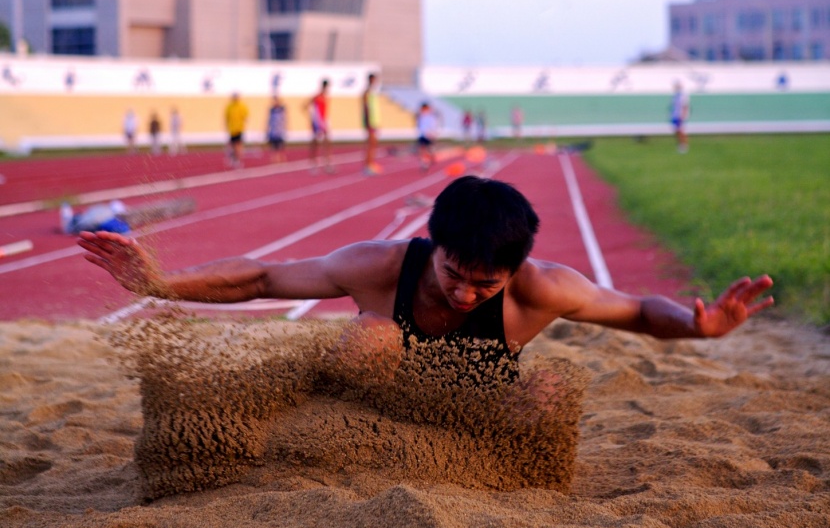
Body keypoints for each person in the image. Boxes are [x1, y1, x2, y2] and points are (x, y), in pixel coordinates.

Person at [80, 176, 774, 426]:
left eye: (485, 284)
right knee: (370, 339)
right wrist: (163, 284)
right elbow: (264, 277)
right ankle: (327, 437)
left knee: (554, 392)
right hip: (376, 404)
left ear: (515, 269)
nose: (466, 291)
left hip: (472, 413)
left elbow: (635, 311)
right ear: (431, 244)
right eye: (453, 273)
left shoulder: (542, 287)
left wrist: (698, 326)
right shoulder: (381, 266)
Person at [306, 79, 332, 172]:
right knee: (315, 143)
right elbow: (306, 106)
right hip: (317, 122)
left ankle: (327, 163)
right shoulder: (317, 97)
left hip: (324, 121)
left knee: (327, 142)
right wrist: (312, 117)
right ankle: (313, 163)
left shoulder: (326, 97)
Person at [362, 72, 382, 174]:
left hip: (374, 121)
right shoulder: (367, 93)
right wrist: (368, 122)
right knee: (370, 144)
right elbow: (366, 108)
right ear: (370, 80)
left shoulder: (373, 93)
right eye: (373, 80)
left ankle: (371, 163)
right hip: (370, 122)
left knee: (374, 144)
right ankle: (367, 165)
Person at [225, 92, 249, 168]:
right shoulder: (229, 106)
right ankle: (234, 158)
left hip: (239, 129)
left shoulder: (241, 106)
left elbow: (246, 116)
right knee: (233, 146)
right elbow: (226, 117)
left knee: (238, 145)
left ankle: (238, 160)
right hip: (232, 129)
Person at [415, 101, 440, 169]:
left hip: (429, 135)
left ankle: (430, 158)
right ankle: (424, 162)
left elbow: (433, 125)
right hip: (422, 135)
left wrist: (433, 133)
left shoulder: (431, 116)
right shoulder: (420, 116)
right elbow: (419, 125)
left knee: (429, 149)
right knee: (422, 149)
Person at [266, 94, 287, 162]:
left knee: (280, 145)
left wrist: (285, 127)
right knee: (273, 145)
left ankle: (281, 157)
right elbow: (269, 120)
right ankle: (274, 158)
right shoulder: (272, 110)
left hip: (279, 130)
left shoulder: (281, 110)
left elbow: (284, 119)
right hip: (273, 131)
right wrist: (267, 128)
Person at [670, 83, 690, 153]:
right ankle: (680, 144)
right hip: (675, 115)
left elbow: (685, 106)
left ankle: (684, 145)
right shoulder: (675, 96)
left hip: (680, 115)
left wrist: (683, 115)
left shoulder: (683, 96)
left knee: (681, 130)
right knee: (676, 130)